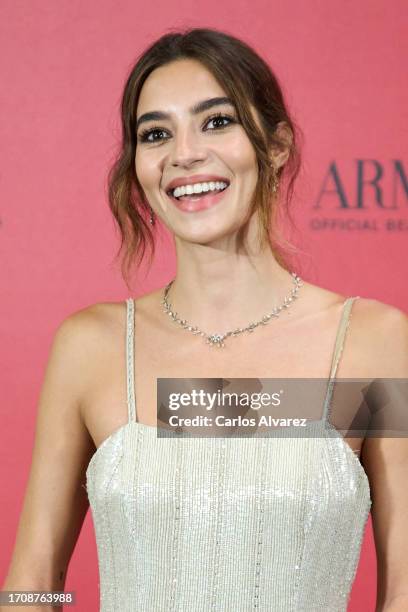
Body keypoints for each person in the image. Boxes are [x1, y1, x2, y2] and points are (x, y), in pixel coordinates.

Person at [2, 27, 407, 612]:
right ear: (137, 166)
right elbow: (34, 577)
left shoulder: (373, 341)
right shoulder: (91, 346)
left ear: (276, 146)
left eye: (217, 121)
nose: (184, 153)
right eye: (156, 133)